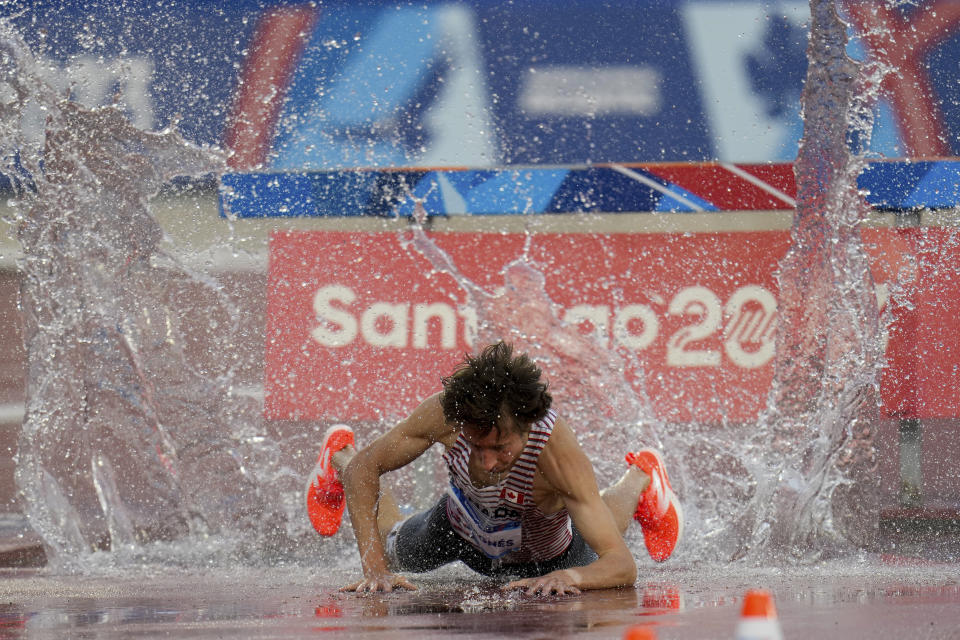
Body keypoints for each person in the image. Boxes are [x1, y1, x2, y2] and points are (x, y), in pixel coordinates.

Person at [306, 341, 683, 595]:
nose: (486, 461)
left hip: (546, 553)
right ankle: (338, 454)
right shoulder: (447, 414)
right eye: (475, 444)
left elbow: (621, 566)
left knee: (594, 534)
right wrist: (374, 571)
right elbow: (365, 471)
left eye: (500, 448)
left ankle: (642, 476)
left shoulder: (556, 454)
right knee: (387, 557)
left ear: (527, 428)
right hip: (458, 528)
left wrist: (569, 576)